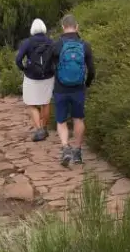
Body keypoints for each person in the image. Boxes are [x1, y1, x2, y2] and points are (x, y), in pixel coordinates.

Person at [51, 14, 94, 168]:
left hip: (61, 88)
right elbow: (92, 70)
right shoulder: (84, 45)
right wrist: (86, 84)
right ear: (77, 26)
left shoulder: (56, 45)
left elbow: (49, 67)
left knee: (61, 121)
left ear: (63, 27)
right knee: (78, 119)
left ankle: (65, 148)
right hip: (78, 89)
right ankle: (77, 152)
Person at [14, 18, 57, 142]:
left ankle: (39, 130)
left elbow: (18, 59)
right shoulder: (50, 42)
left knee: (31, 103)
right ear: (44, 28)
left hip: (31, 77)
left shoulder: (27, 42)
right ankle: (44, 128)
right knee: (45, 102)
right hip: (48, 76)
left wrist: (24, 69)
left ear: (32, 29)